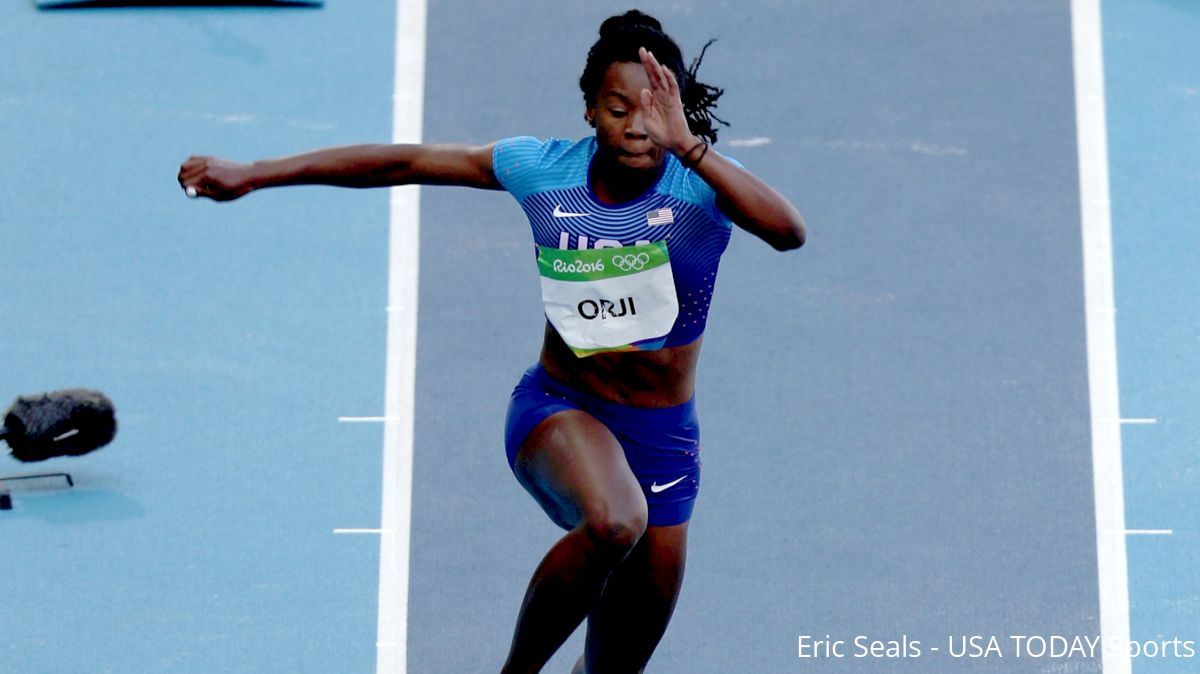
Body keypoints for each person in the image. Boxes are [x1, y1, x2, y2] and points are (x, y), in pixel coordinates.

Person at [178, 10, 804, 673]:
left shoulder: (702, 186)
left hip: (664, 438)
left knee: (614, 665)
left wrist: (692, 148)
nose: (636, 124)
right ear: (590, 109)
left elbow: (788, 231)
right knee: (615, 520)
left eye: (653, 108)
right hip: (563, 412)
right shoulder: (543, 172)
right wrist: (255, 172)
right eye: (618, 106)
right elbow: (406, 161)